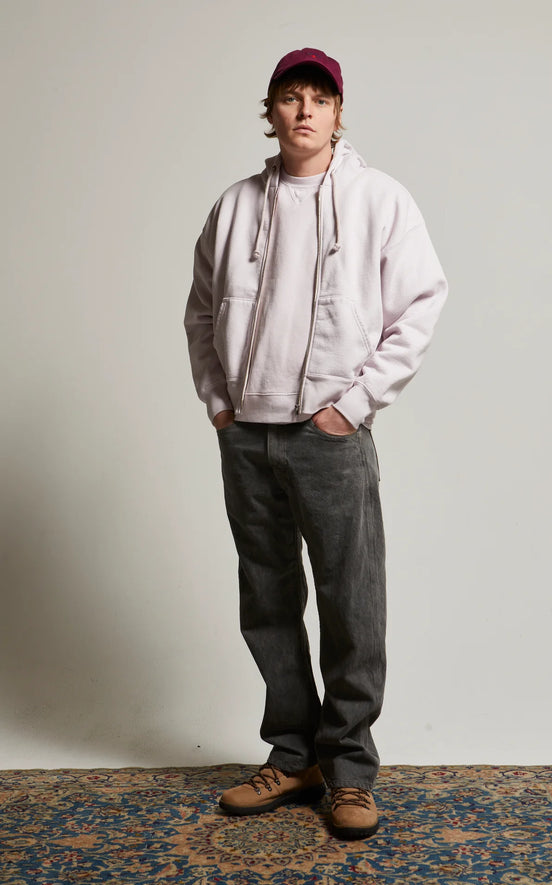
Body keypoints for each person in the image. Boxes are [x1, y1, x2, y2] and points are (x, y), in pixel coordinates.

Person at [184, 47, 448, 840]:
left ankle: (351, 771)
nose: (304, 110)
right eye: (290, 97)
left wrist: (354, 405)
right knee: (267, 601)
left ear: (338, 113)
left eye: (319, 99)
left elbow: (422, 303)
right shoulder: (236, 205)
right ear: (269, 112)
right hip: (247, 435)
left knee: (350, 601)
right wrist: (221, 405)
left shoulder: (379, 199)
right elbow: (201, 310)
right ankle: (294, 754)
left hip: (328, 436)